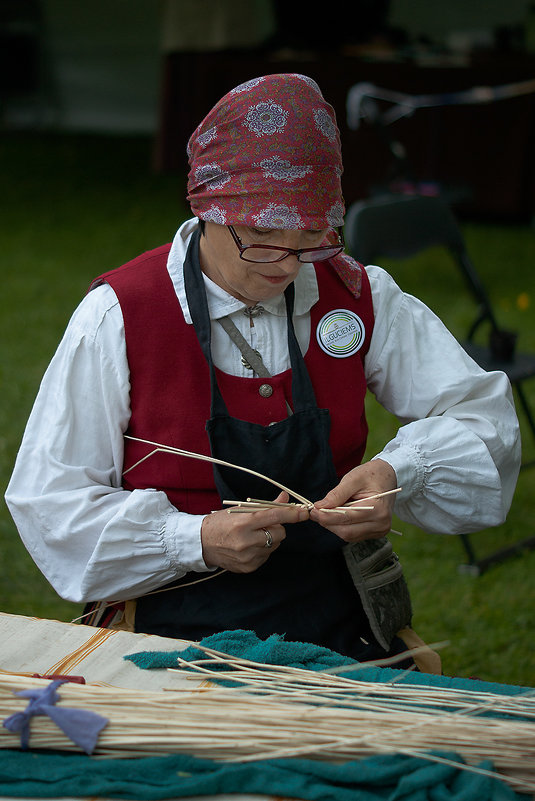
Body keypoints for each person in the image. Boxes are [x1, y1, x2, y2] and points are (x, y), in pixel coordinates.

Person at [5, 74, 520, 667]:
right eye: (261, 237)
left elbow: (484, 420)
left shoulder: (355, 294)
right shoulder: (122, 313)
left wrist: (395, 472)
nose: (285, 264)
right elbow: (51, 500)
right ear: (207, 210)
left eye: (308, 238)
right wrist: (193, 539)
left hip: (331, 618)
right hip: (163, 629)